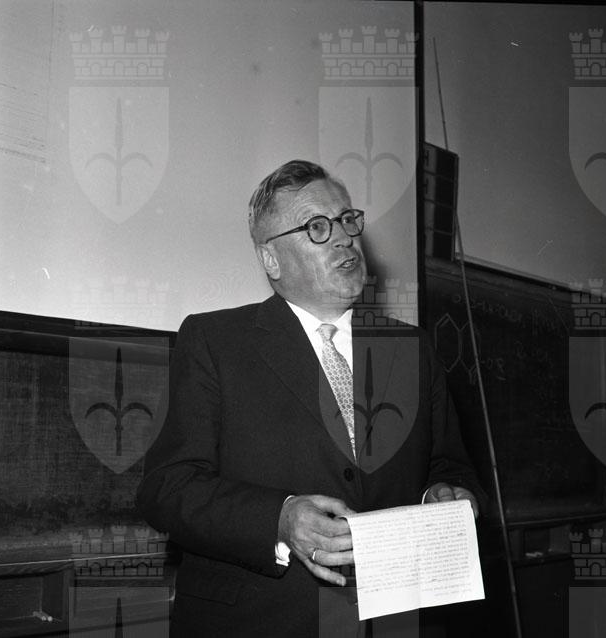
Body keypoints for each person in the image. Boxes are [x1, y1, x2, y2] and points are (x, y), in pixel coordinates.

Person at [137, 159, 483, 637]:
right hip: (258, 624)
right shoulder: (215, 341)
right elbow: (167, 487)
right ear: (271, 260)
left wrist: (444, 494)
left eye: (347, 220)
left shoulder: (413, 349)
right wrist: (278, 519)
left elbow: (448, 466)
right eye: (317, 227)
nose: (343, 238)